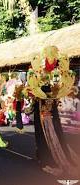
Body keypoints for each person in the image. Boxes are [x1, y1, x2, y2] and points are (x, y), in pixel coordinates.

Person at [26, 46, 80, 176]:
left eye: (53, 56)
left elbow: (64, 85)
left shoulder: (58, 71)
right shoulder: (36, 71)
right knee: (42, 131)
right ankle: (43, 155)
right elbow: (30, 88)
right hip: (41, 104)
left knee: (52, 129)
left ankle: (49, 157)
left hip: (49, 105)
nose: (51, 58)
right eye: (50, 56)